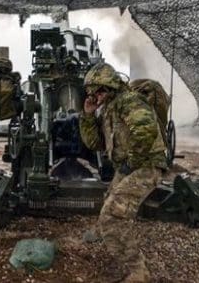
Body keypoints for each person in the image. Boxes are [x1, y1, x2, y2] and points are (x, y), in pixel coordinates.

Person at [79, 62, 168, 283]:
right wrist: (88, 115)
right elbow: (95, 143)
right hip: (131, 165)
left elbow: (146, 132)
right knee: (110, 200)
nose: (94, 95)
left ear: (107, 88)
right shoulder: (110, 107)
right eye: (92, 92)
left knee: (114, 216)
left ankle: (138, 270)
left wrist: (132, 161)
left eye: (97, 91)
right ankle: (106, 234)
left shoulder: (128, 101)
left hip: (146, 166)